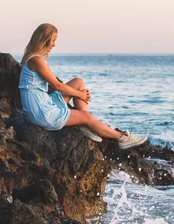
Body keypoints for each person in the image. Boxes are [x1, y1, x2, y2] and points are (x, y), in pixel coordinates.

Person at [19, 23, 147, 149]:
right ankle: (122, 138)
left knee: (78, 82)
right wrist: (80, 95)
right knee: (87, 116)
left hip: (44, 104)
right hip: (42, 113)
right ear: (44, 40)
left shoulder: (36, 59)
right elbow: (57, 85)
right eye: (52, 40)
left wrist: (79, 92)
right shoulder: (37, 61)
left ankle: (85, 125)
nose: (54, 44)